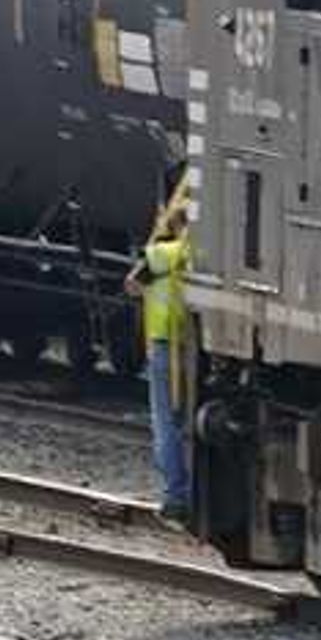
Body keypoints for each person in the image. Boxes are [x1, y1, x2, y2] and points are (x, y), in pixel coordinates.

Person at [126, 195, 193, 519]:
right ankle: (192, 490)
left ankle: (175, 495)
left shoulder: (162, 255)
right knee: (187, 423)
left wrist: (159, 232)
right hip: (194, 348)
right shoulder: (196, 256)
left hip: (164, 343)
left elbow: (131, 285)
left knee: (165, 422)